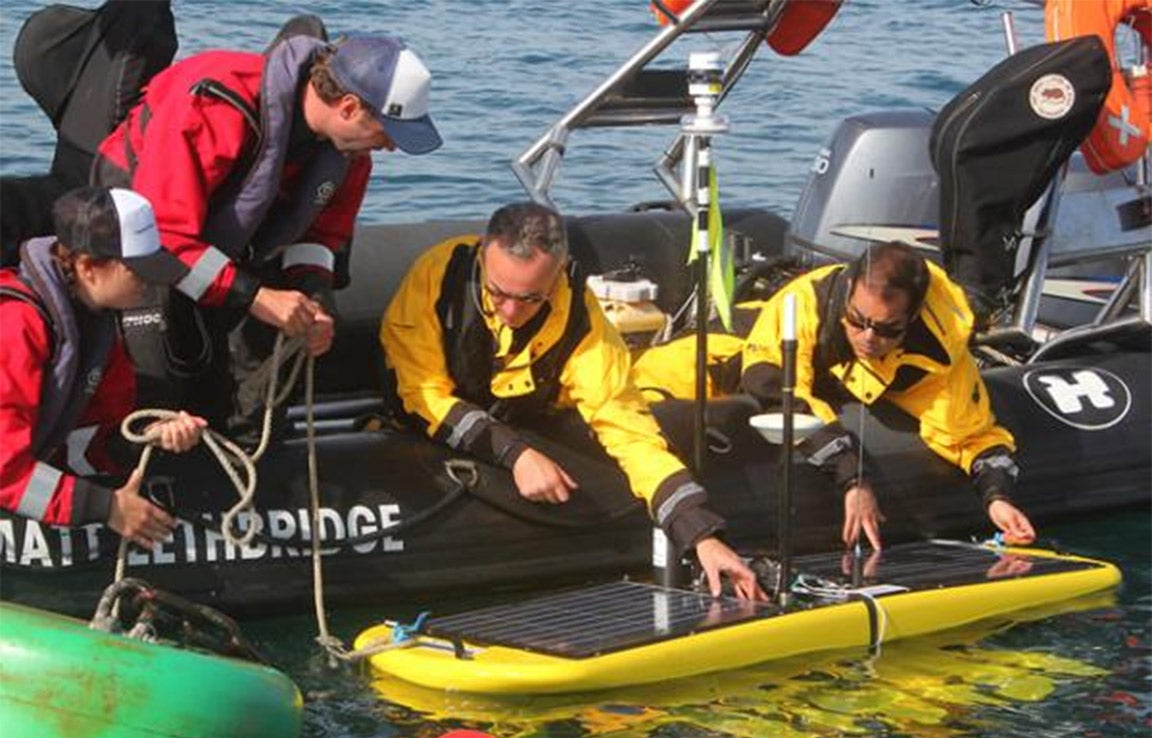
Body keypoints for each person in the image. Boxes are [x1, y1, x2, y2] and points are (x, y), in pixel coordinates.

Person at [380, 202, 767, 601]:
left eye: (530, 298)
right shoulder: (438, 279)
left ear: (559, 274)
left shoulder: (581, 322)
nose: (511, 311)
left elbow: (628, 430)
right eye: (497, 293)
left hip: (527, 418)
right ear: (483, 255)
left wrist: (701, 534)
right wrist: (516, 454)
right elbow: (420, 393)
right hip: (429, 427)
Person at [91, 31, 442, 440]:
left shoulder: (348, 156)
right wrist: (254, 297)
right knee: (159, 386)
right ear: (349, 108)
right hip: (139, 247)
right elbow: (162, 235)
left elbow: (321, 236)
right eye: (388, 133)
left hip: (235, 252)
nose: (390, 148)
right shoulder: (216, 104)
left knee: (256, 393)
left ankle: (249, 447)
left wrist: (313, 302)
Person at [741, 241, 1037, 551]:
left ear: (911, 318)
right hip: (744, 342)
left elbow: (969, 434)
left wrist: (997, 498)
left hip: (858, 380)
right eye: (857, 320)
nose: (868, 338)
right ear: (849, 290)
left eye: (886, 329)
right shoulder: (804, 303)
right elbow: (774, 386)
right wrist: (852, 477)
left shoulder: (935, 352)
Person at [1, 187, 206, 549]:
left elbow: (96, 438)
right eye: (137, 271)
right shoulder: (15, 327)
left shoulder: (95, 327)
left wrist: (152, 435)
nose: (149, 283)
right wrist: (105, 507)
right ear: (87, 268)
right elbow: (3, 469)